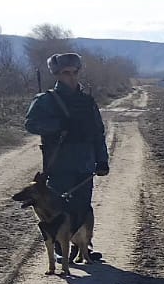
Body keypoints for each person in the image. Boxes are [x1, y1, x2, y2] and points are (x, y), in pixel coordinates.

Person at [24, 52, 109, 259]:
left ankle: (83, 247)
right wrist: (58, 125)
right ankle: (61, 248)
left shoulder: (87, 102)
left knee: (82, 208)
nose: (71, 77)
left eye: (74, 72)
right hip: (59, 164)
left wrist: (102, 160)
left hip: (85, 164)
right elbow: (31, 124)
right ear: (57, 74)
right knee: (59, 210)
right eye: (65, 73)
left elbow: (98, 133)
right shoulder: (45, 100)